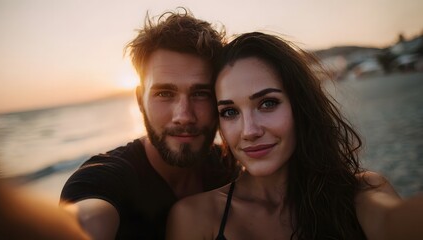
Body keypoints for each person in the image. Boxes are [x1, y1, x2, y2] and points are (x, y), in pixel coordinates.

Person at [166, 32, 423, 239]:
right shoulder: (195, 218)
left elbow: (395, 222)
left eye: (267, 103)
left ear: (300, 106)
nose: (249, 131)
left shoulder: (360, 194)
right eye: (230, 111)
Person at [60, 8, 236, 240]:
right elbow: (86, 219)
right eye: (164, 94)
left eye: (201, 93)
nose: (184, 115)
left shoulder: (231, 166)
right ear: (140, 101)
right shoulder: (105, 180)